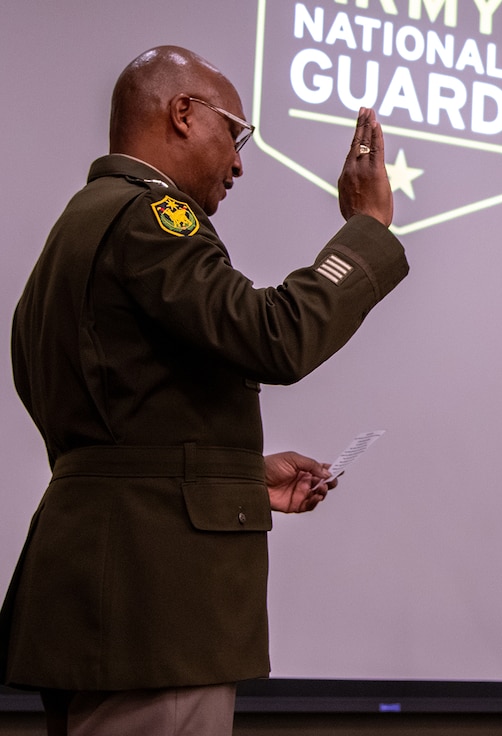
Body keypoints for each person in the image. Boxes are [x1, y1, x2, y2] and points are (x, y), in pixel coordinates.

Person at [0, 45, 408, 735]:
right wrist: (365, 231)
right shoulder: (147, 217)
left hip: (101, 594)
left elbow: (118, 436)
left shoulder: (75, 230)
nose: (240, 162)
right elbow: (273, 335)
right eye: (235, 134)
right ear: (182, 114)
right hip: (153, 613)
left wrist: (241, 479)